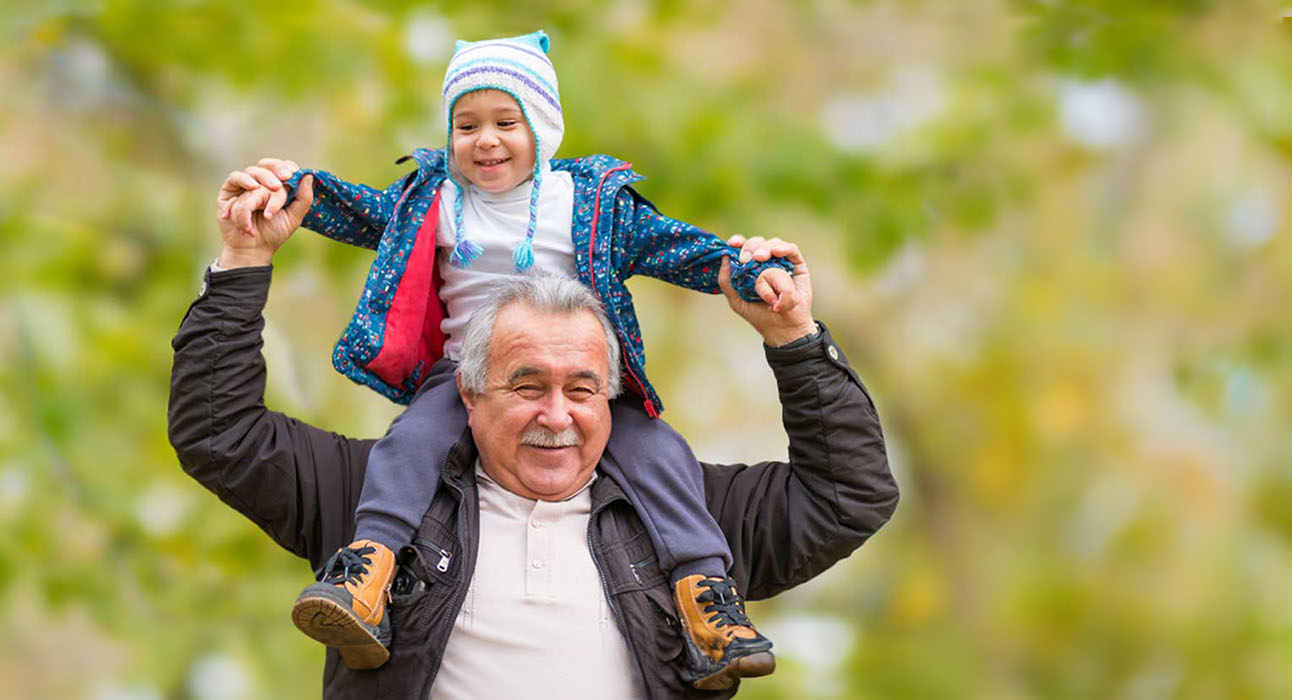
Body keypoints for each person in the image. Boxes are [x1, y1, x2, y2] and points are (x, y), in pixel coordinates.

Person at [215, 30, 797, 685]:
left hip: (579, 380)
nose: (484, 140)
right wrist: (295, 190)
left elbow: (674, 248)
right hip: (468, 376)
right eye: (466, 125)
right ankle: (366, 575)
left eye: (504, 122)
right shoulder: (434, 201)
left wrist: (745, 269)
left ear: (543, 127)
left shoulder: (586, 202)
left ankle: (705, 605)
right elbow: (360, 211)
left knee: (661, 456)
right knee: (408, 447)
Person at [170, 183, 897, 696]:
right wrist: (243, 259)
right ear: (469, 390)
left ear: (611, 398)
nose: (557, 414)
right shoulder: (377, 501)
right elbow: (219, 432)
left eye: (582, 389)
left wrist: (791, 337)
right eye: (526, 386)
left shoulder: (688, 517)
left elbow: (847, 496)